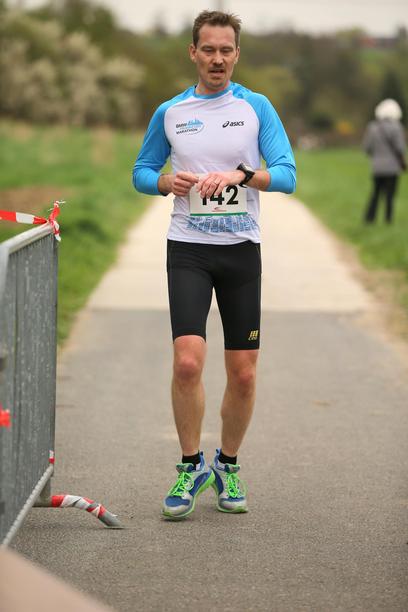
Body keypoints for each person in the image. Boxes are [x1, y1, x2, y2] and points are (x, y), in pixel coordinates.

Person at [133, 10, 296, 519]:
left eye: (227, 50)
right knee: (187, 361)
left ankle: (228, 464)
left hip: (241, 250)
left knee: (242, 374)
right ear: (193, 53)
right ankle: (190, 466)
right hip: (188, 248)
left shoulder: (255, 107)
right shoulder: (171, 112)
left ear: (237, 54)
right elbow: (141, 171)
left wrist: (244, 175)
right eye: (209, 49)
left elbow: (288, 174)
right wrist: (166, 183)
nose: (218, 59)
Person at [363, 98, 406, 224]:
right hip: (392, 167)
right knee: (390, 195)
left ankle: (370, 218)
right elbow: (400, 148)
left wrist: (377, 156)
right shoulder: (396, 127)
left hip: (377, 166)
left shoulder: (372, 127)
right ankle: (388, 219)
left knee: (375, 193)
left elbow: (367, 148)